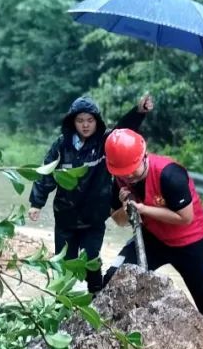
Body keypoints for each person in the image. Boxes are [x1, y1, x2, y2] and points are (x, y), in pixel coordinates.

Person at [101, 129, 203, 348]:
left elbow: (185, 217)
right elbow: (119, 220)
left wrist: (143, 209)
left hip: (189, 240)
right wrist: (126, 208)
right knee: (115, 276)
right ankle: (117, 332)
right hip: (154, 237)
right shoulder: (119, 178)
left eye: (131, 170)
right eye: (123, 173)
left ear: (143, 155)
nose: (129, 177)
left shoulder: (170, 174)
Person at [27, 94, 152, 294]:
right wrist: (36, 203)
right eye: (80, 120)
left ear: (96, 121)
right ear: (72, 122)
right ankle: (62, 305)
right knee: (65, 265)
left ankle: (96, 296)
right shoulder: (61, 145)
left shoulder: (105, 143)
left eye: (90, 120)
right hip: (66, 218)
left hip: (94, 219)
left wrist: (138, 112)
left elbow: (123, 131)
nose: (85, 125)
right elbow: (47, 172)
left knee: (91, 259)